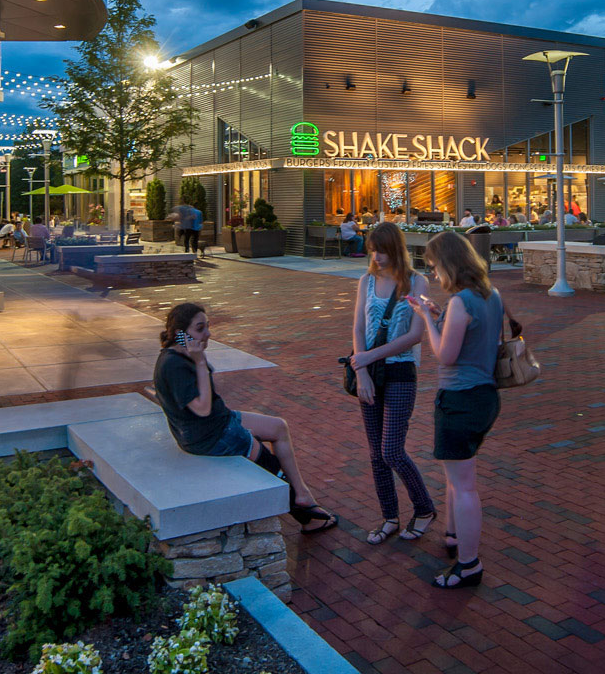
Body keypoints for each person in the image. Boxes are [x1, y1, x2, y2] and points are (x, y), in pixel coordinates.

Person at [153, 302, 337, 533]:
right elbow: (202, 409)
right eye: (200, 328)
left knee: (279, 427)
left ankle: (302, 491)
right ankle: (308, 519)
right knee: (269, 466)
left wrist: (197, 358)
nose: (208, 333)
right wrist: (200, 362)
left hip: (220, 421)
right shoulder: (174, 364)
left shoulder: (184, 353)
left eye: (207, 326)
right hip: (211, 435)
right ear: (181, 334)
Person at [406, 232, 506, 590]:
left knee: (464, 487)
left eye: (434, 267)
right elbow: (484, 341)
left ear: (448, 264)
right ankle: (453, 536)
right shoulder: (491, 294)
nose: (433, 275)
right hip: (484, 397)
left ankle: (468, 565)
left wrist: (428, 320)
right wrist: (441, 315)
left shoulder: (462, 302)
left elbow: (445, 355)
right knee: (457, 477)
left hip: (459, 399)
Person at [349, 222, 437, 545]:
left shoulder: (417, 281)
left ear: (396, 248)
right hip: (369, 374)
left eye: (381, 249)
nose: (376, 255)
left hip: (400, 372)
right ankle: (389, 516)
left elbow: (415, 335)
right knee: (376, 454)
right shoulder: (366, 281)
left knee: (392, 451)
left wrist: (369, 358)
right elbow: (358, 328)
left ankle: (425, 508)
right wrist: (360, 371)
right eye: (372, 249)